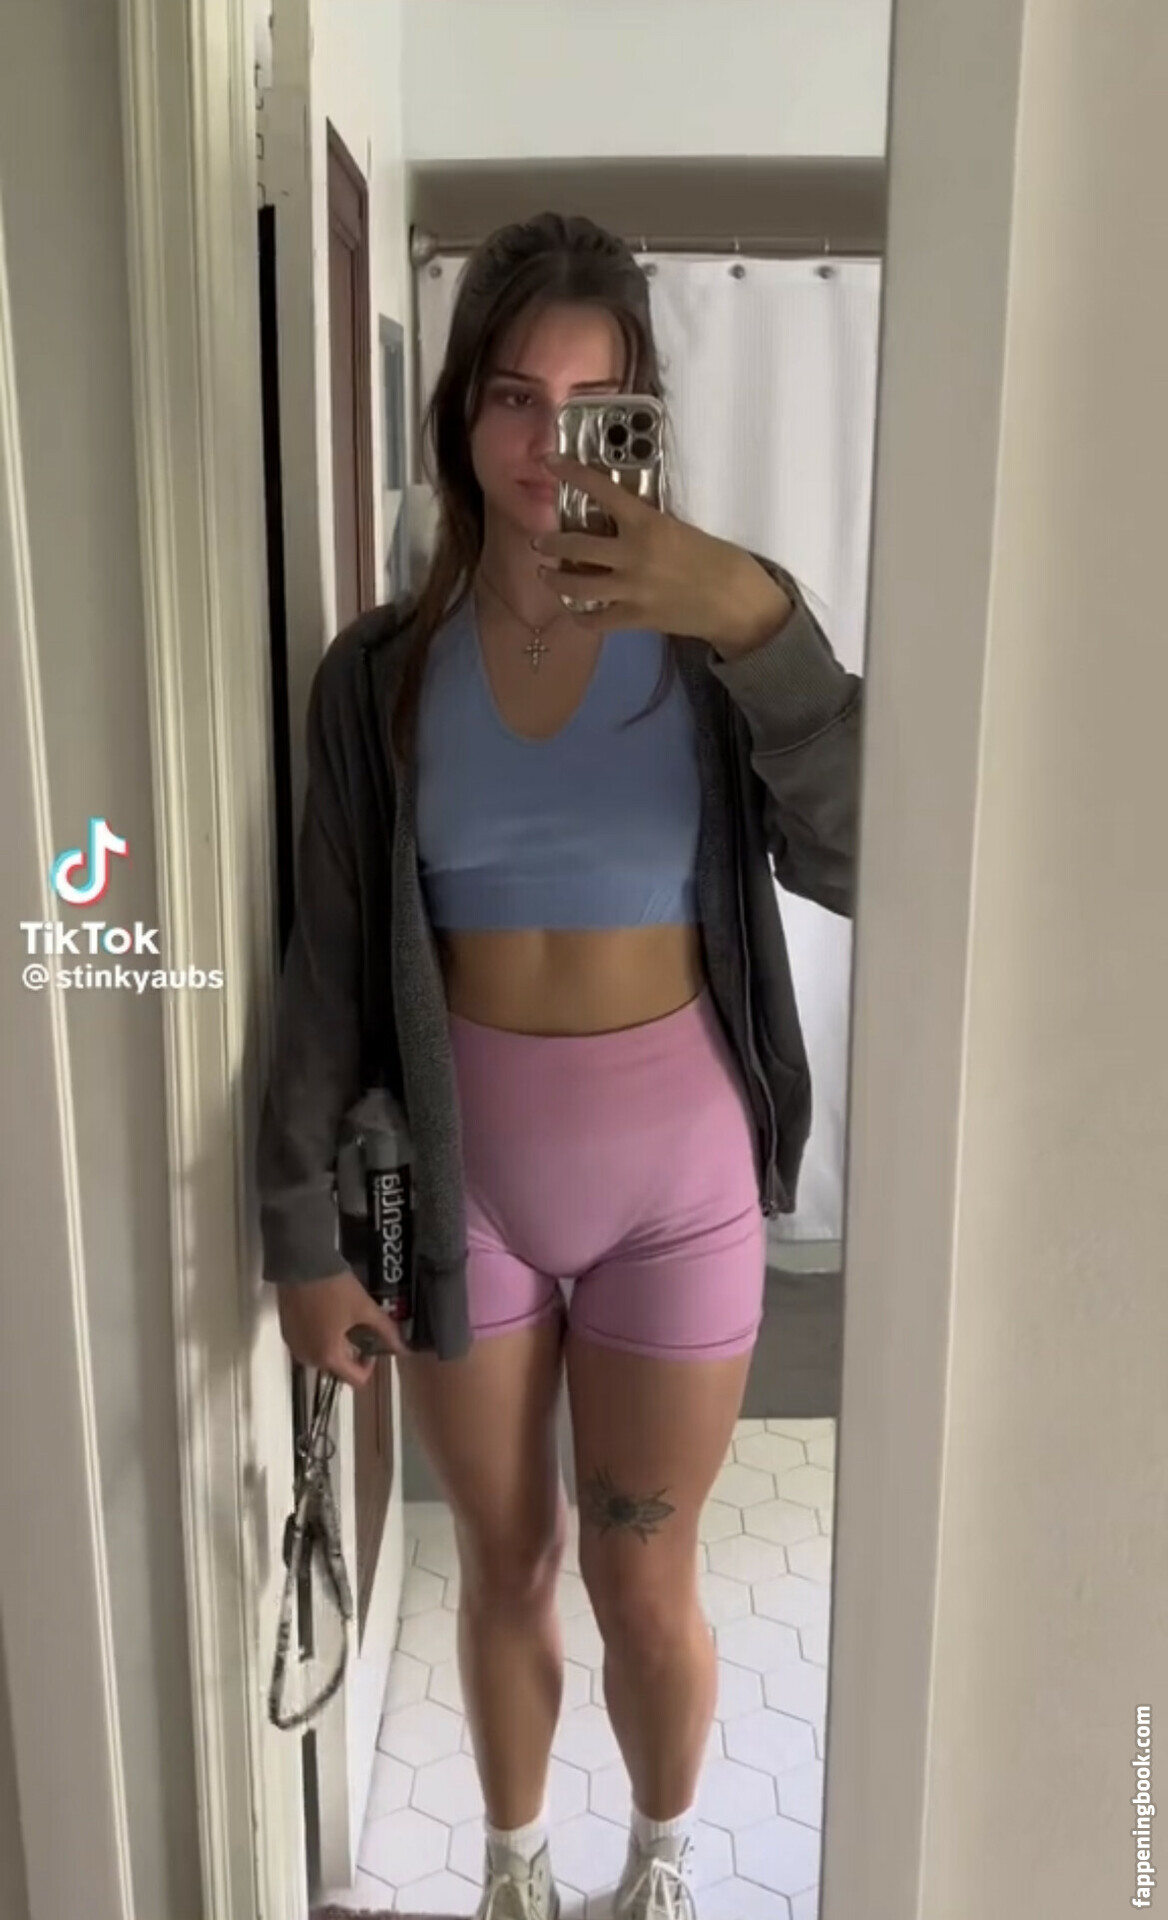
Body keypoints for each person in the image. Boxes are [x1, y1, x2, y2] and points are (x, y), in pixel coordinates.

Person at [258, 211, 861, 1920]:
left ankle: (658, 1866)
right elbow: (327, 969)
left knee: (642, 1575)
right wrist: (304, 1237)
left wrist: (754, 614)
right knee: (503, 1566)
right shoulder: (381, 675)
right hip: (468, 1190)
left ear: (646, 419)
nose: (549, 444)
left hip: (680, 1187)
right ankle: (515, 1873)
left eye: (595, 408)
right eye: (515, 397)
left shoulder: (717, 645)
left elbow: (873, 853)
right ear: (462, 412)